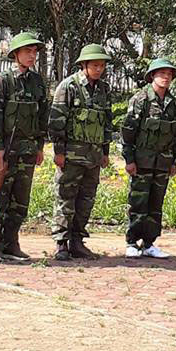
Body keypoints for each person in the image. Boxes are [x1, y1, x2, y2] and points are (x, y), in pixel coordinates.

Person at [0, 32, 49, 262]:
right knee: (0, 198)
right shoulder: (3, 81)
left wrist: (39, 146)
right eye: (27, 51)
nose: (32, 56)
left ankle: (11, 242)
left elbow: (42, 117)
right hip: (7, 149)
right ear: (16, 54)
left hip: (28, 150)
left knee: (21, 199)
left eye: (34, 52)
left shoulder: (37, 82)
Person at [48, 44, 113, 260]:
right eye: (95, 65)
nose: (99, 69)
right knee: (65, 198)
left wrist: (105, 152)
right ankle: (61, 243)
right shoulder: (69, 87)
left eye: (102, 65)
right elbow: (57, 121)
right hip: (71, 156)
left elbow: (107, 123)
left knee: (86, 200)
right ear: (84, 65)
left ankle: (77, 241)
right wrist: (59, 151)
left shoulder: (104, 90)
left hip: (93, 157)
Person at [121, 58, 176, 258]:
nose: (166, 77)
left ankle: (149, 243)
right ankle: (132, 241)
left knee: (156, 204)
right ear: (152, 75)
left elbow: (175, 136)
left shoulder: (172, 104)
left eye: (169, 74)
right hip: (142, 161)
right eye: (162, 73)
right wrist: (129, 159)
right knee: (138, 202)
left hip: (163, 162)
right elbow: (128, 132)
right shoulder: (141, 99)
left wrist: (173, 161)